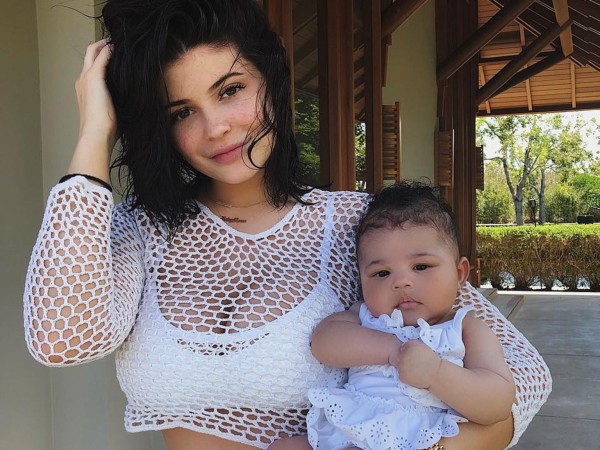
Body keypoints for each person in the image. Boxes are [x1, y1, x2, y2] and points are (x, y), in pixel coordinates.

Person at [22, 1, 551, 449]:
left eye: (230, 90)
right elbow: (62, 340)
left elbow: (521, 381)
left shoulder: (357, 226)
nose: (216, 127)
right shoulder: (142, 230)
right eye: (181, 112)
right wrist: (94, 132)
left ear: (271, 79)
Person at [269, 181, 516, 450]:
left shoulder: (465, 327)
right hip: (354, 429)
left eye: (421, 266)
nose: (401, 282)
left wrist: (435, 373)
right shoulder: (365, 316)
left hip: (422, 436)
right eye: (382, 273)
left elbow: (498, 402)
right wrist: (393, 350)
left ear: (459, 274)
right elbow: (323, 343)